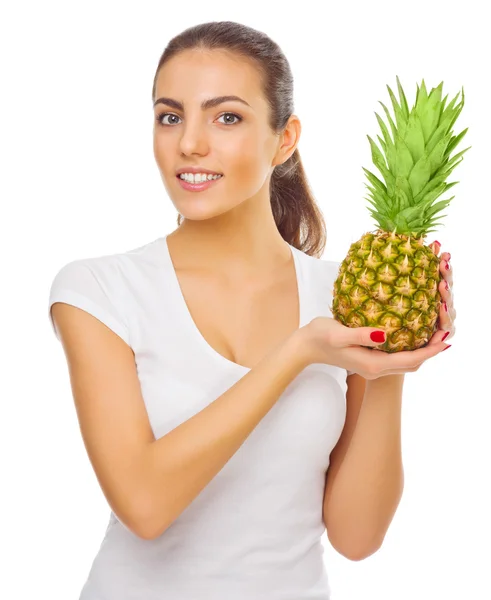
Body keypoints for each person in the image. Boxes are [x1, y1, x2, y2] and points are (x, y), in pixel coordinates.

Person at [47, 20, 455, 600]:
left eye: (227, 117)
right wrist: (297, 352)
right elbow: (144, 504)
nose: (190, 143)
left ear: (284, 139)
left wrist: (388, 362)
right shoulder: (99, 290)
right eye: (170, 116)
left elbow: (357, 537)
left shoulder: (343, 294)